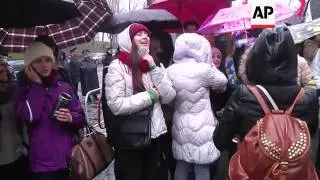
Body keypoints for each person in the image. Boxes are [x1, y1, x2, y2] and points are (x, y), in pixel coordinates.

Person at [213, 27, 319, 177]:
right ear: (292, 59)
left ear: (255, 59)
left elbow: (220, 141)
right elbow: (309, 135)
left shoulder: (243, 95)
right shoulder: (309, 97)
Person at [104, 23, 176, 180]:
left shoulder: (155, 65)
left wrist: (153, 67)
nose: (144, 36)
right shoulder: (118, 66)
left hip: (155, 136)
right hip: (131, 140)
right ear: (128, 40)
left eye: (146, 34)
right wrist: (149, 96)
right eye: (139, 34)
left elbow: (169, 96)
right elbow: (116, 104)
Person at [13, 42, 85, 180]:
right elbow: (30, 116)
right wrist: (37, 85)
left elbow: (81, 118)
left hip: (68, 158)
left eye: (47, 60)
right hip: (42, 165)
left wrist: (71, 118)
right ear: (29, 65)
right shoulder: (22, 91)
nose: (45, 65)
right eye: (38, 61)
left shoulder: (63, 86)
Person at [166, 33, 228, 180]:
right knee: (201, 168)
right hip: (202, 127)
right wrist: (212, 66)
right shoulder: (204, 69)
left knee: (182, 166)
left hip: (180, 125)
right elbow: (222, 82)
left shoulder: (171, 70)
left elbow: (167, 97)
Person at [0, 60, 29, 179]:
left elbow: (23, 122)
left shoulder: (14, 92)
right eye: (0, 72)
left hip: (18, 153)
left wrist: (26, 146)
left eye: (5, 71)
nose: (4, 75)